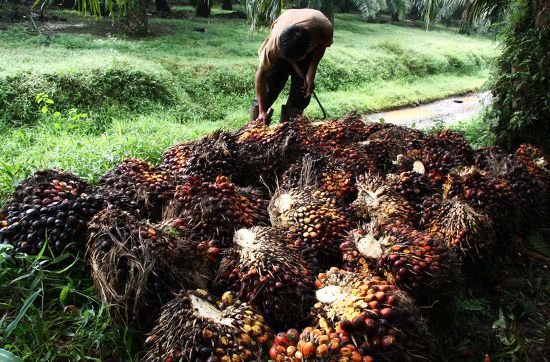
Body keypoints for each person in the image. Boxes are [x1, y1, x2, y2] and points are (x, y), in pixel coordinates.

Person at [250, 8, 333, 125]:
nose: (291, 61)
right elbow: (260, 74)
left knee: (301, 93)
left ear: (309, 47)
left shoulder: (323, 27)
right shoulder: (273, 47)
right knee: (268, 89)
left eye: (295, 59)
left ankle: (288, 129)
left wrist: (311, 73)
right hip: (282, 50)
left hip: (306, 42)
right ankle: (255, 125)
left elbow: (322, 45)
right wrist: (262, 111)